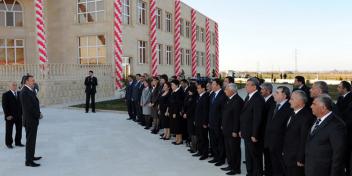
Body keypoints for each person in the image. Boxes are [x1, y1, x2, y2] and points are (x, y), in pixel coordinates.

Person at [305, 95, 347, 176]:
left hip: (324, 171)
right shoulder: (317, 119)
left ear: (323, 108)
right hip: (311, 168)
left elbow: (338, 154)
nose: (310, 106)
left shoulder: (336, 125)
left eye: (314, 104)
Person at [283, 90, 314, 176]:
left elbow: (304, 139)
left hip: (296, 158)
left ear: (300, 101)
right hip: (288, 155)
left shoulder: (306, 117)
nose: (289, 101)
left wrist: (300, 158)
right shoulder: (292, 112)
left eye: (292, 99)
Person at [264, 86, 292, 176]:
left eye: (277, 93)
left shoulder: (290, 108)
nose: (274, 94)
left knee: (279, 168)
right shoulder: (273, 105)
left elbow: (288, 129)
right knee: (271, 165)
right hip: (269, 142)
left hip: (279, 144)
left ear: (284, 95)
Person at [239, 77, 265, 176]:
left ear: (254, 86)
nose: (245, 86)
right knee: (248, 155)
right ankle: (250, 172)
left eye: (247, 85)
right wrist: (241, 129)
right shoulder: (249, 96)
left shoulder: (258, 98)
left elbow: (257, 118)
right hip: (246, 131)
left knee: (255, 156)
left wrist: (255, 134)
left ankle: (257, 173)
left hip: (252, 134)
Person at [19, 75, 43, 167]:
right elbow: (29, 108)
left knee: (32, 141)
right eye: (32, 80)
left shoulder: (29, 90)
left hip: (32, 120)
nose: (34, 82)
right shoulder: (24, 92)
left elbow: (35, 104)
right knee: (30, 141)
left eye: (34, 80)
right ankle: (28, 161)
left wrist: (38, 112)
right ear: (26, 82)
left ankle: (31, 157)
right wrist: (38, 115)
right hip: (30, 120)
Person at [221, 83, 243, 175]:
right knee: (229, 149)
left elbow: (237, 118)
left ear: (232, 90)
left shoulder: (237, 100)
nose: (225, 91)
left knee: (234, 150)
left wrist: (235, 130)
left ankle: (236, 168)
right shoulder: (229, 99)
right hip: (226, 129)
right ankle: (230, 165)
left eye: (226, 89)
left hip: (232, 131)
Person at [208, 79, 227, 167]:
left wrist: (223, 124)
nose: (212, 85)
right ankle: (215, 157)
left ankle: (221, 159)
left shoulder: (223, 95)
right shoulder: (212, 94)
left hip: (218, 123)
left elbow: (223, 112)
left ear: (218, 85)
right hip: (211, 122)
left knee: (220, 142)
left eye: (213, 84)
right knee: (213, 141)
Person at [2, 82, 24, 148]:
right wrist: (7, 115)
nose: (15, 86)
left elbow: (22, 105)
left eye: (15, 85)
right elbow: (4, 106)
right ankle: (8, 143)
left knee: (19, 130)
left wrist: (22, 114)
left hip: (19, 116)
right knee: (9, 130)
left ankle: (18, 142)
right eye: (13, 85)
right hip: (10, 116)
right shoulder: (6, 94)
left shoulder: (20, 93)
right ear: (10, 86)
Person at [260, 82, 275, 175]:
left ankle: (269, 171)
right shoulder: (264, 100)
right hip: (263, 132)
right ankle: (267, 169)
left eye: (262, 89)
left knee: (269, 154)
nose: (260, 91)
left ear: (268, 91)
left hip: (267, 133)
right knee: (265, 153)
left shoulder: (272, 102)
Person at [193, 82, 210, 160]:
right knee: (199, 137)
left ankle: (204, 153)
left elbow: (206, 111)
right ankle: (199, 151)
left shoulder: (206, 97)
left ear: (203, 89)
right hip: (198, 120)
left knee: (203, 138)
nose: (197, 89)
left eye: (199, 88)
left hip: (203, 122)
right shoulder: (199, 96)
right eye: (197, 88)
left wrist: (205, 122)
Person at [169, 80, 185, 145]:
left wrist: (175, 112)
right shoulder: (174, 92)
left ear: (176, 85)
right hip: (172, 111)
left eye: (172, 85)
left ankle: (180, 140)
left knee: (178, 126)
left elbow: (178, 104)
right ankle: (177, 139)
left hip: (177, 112)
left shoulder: (179, 92)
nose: (171, 86)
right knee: (175, 126)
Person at [182, 84, 197, 152]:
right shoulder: (189, 96)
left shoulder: (194, 97)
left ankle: (194, 147)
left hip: (192, 116)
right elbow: (185, 104)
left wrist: (186, 113)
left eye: (190, 91)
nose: (189, 92)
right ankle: (192, 145)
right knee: (190, 131)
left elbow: (192, 108)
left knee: (193, 132)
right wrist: (184, 112)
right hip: (188, 116)